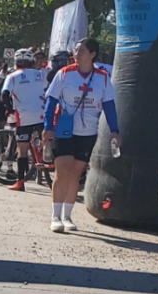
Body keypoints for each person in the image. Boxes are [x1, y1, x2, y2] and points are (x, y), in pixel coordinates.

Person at [42, 38, 119, 233]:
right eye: (76, 51)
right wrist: (47, 126)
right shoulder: (64, 74)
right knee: (63, 170)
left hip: (88, 132)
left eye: (81, 51)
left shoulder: (102, 77)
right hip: (64, 129)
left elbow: (109, 106)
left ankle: (68, 216)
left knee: (76, 172)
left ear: (92, 54)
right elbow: (51, 101)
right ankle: (55, 216)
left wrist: (114, 131)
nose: (76, 54)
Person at [0, 49, 48, 191]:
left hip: (23, 117)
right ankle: (50, 162)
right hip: (41, 113)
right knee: (48, 140)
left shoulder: (12, 76)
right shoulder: (40, 74)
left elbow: (4, 95)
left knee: (22, 151)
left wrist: (9, 110)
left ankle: (20, 182)